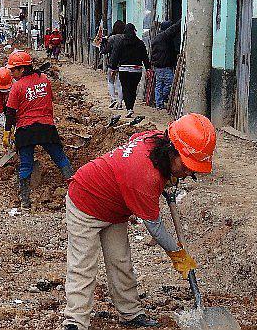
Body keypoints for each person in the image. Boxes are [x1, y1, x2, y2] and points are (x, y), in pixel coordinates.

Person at [61, 114, 217, 330]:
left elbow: (136, 137)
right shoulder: (144, 177)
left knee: (120, 261)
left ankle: (130, 313)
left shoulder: (155, 139)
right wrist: (177, 254)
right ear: (171, 150)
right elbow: (155, 227)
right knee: (83, 264)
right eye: (187, 164)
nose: (189, 171)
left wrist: (167, 178)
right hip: (86, 201)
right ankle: (75, 321)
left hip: (115, 208)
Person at [4, 50, 74, 209]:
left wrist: (7, 132)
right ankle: (75, 191)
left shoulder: (17, 87)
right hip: (46, 127)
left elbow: (10, 112)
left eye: (13, 70)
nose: (12, 73)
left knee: (26, 164)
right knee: (60, 158)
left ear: (22, 69)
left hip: (26, 129)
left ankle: (25, 201)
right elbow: (49, 101)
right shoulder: (44, 80)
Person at [109, 23, 150, 118]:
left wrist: (113, 68)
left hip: (124, 70)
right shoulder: (140, 43)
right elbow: (145, 56)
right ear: (134, 31)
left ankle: (129, 108)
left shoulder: (121, 43)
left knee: (126, 89)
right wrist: (148, 68)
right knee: (133, 89)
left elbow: (115, 56)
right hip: (137, 71)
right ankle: (131, 106)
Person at [150, 20, 183, 109]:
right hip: (164, 66)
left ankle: (158, 103)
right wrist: (181, 21)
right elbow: (173, 29)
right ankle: (161, 99)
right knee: (170, 83)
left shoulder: (157, 38)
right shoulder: (164, 36)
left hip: (158, 66)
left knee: (159, 85)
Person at [100, 20, 126, 109]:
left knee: (110, 81)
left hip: (112, 64)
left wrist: (102, 43)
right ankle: (120, 103)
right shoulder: (126, 38)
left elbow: (105, 50)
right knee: (120, 84)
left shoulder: (112, 38)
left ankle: (113, 99)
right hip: (123, 64)